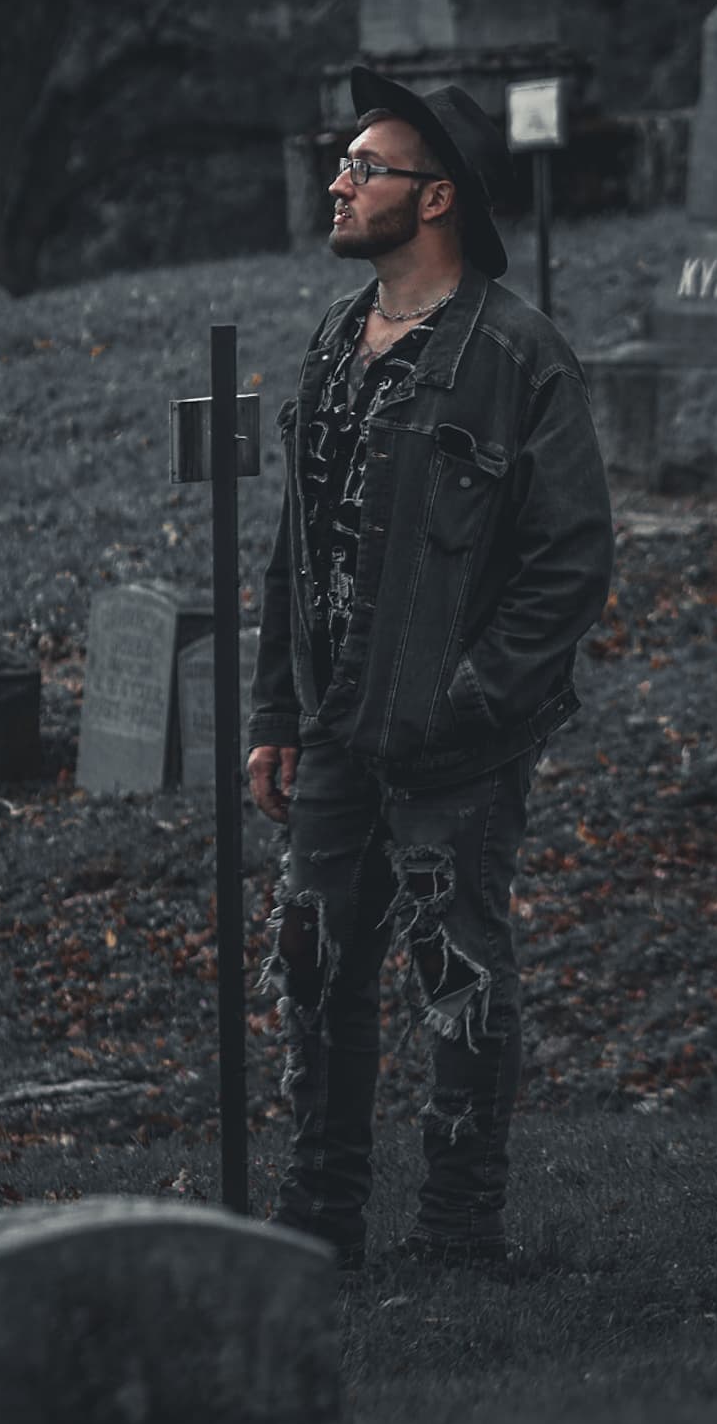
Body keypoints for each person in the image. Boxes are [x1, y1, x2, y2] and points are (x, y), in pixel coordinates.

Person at [247, 65, 615, 1273]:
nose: (339, 180)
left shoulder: (515, 355)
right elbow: (294, 545)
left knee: (454, 968)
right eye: (341, 162)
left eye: (367, 166)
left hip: (453, 739)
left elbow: (567, 564)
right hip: (335, 727)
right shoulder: (334, 340)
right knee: (313, 957)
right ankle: (320, 1216)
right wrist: (273, 711)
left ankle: (458, 1222)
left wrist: (471, 705)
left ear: (438, 196)